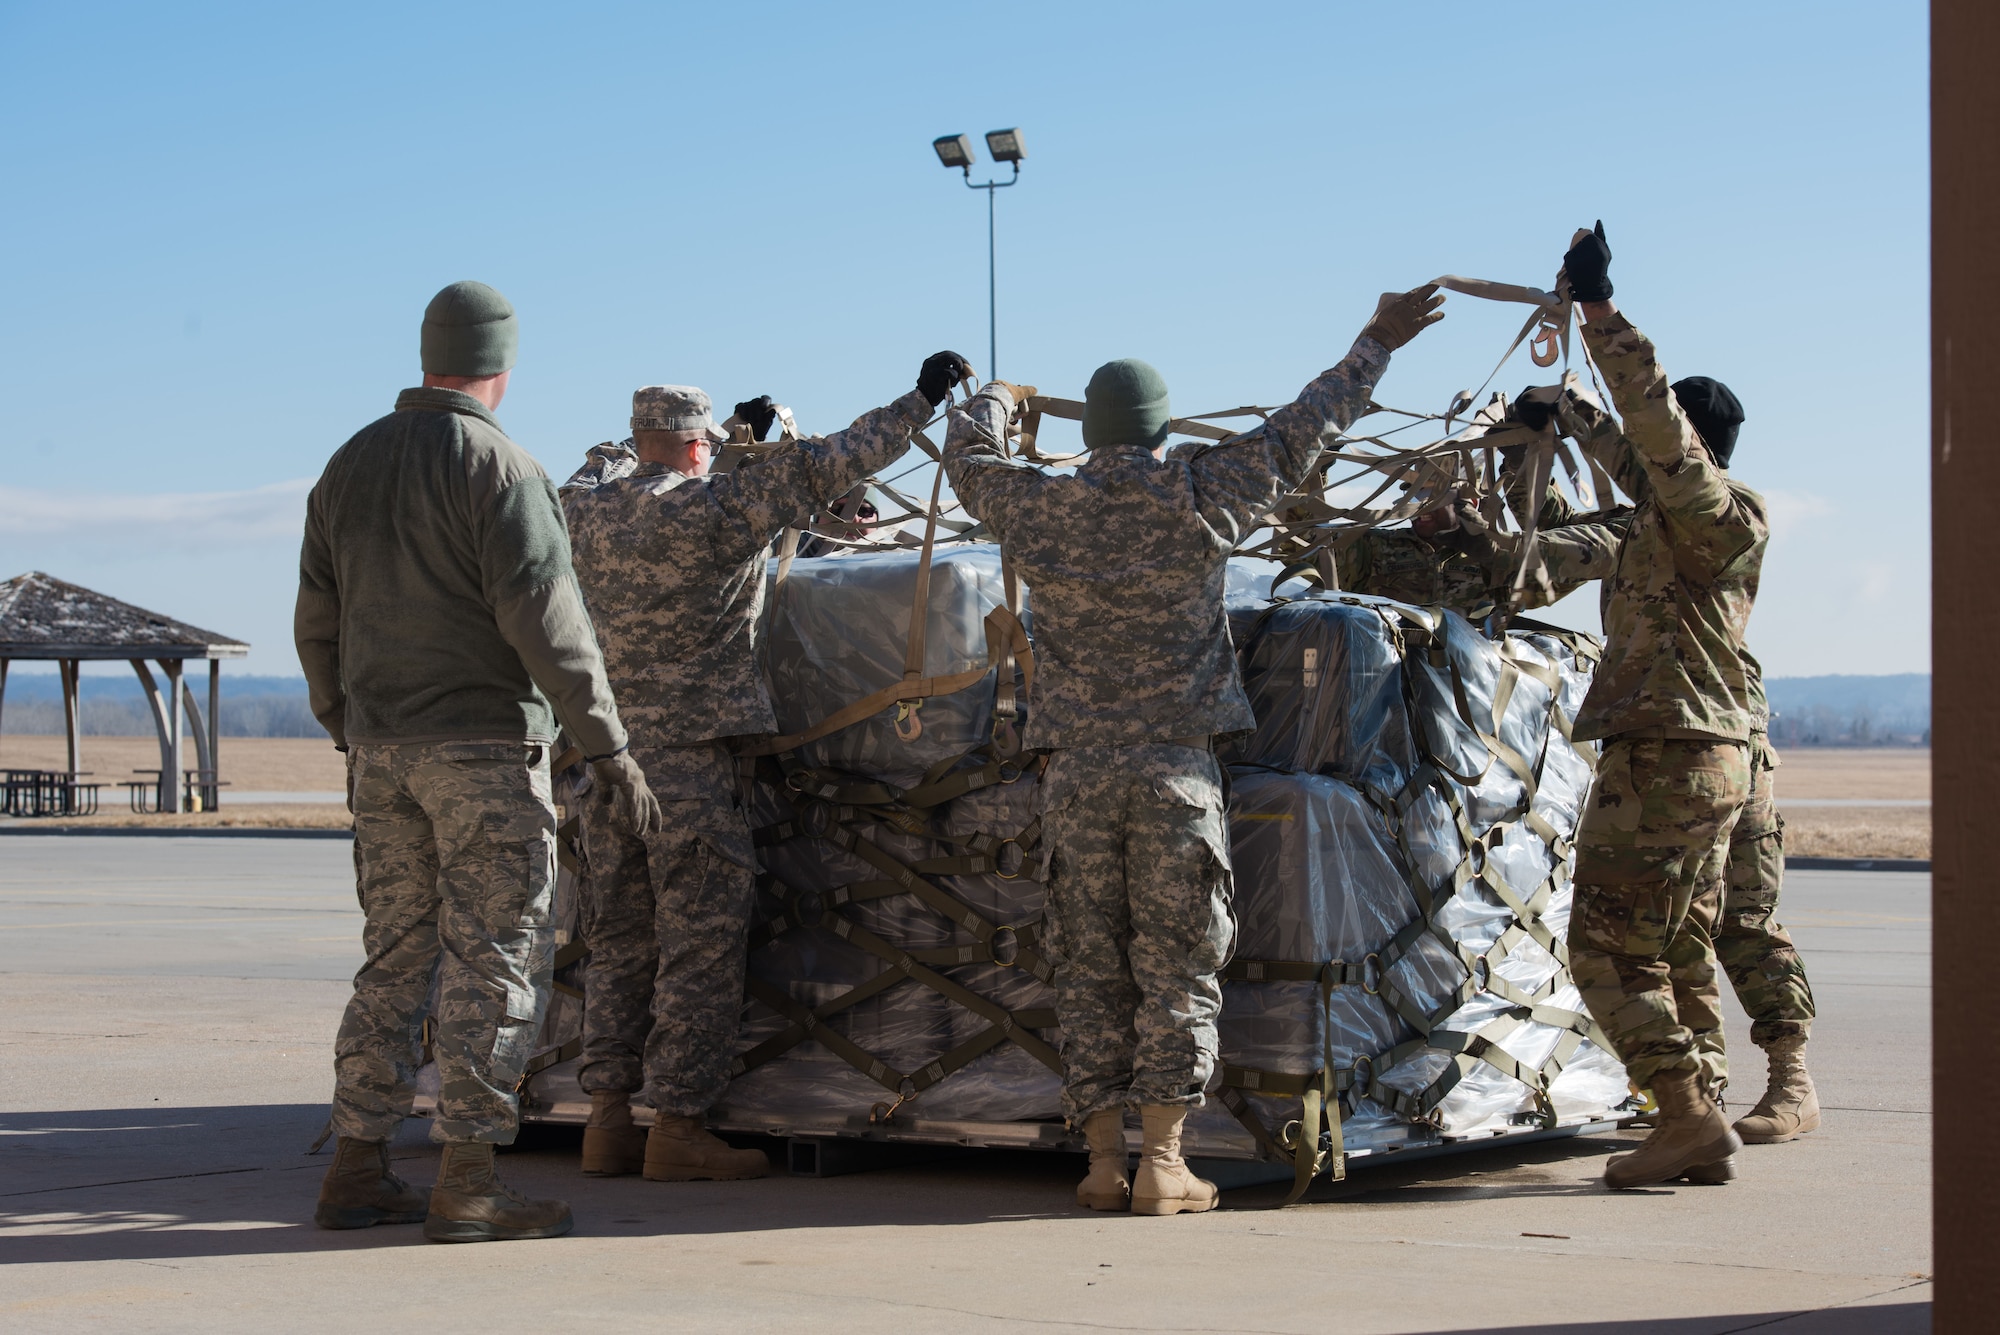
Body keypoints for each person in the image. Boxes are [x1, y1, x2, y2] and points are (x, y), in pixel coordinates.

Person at [943, 286, 1445, 1215]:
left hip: (1077, 779)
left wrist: (996, 401)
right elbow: (1309, 424)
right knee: (1176, 967)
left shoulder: (1040, 508)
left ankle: (1100, 1163)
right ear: (1163, 427)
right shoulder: (1201, 491)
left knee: (1090, 967)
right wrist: (1377, 340)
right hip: (1174, 774)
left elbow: (964, 457)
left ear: (1088, 429)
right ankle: (1165, 1164)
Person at [298, 280, 661, 1243]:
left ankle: (357, 1165)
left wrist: (348, 724)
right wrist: (607, 743)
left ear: (428, 355)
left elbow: (317, 622)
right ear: (503, 365)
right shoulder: (501, 467)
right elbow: (547, 618)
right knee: (495, 957)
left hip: (381, 753)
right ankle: (467, 1179)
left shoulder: (348, 465)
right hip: (485, 750)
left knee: (395, 956)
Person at [561, 353, 971, 1182]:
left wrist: (624, 452)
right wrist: (921, 398)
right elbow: (841, 459)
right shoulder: (720, 507)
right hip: (691, 770)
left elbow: (592, 466)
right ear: (695, 448)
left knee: (617, 942)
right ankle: (677, 1125)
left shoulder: (583, 512)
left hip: (606, 767)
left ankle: (605, 1120)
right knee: (698, 948)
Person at [1556, 223, 1772, 1189]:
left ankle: (1685, 1113)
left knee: (1603, 948)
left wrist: (1602, 315)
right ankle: (1701, 1119)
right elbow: (1638, 455)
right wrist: (1564, 410)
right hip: (1700, 754)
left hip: (1668, 755)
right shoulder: (1672, 517)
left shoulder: (1715, 514)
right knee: (1673, 945)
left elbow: (1654, 435)